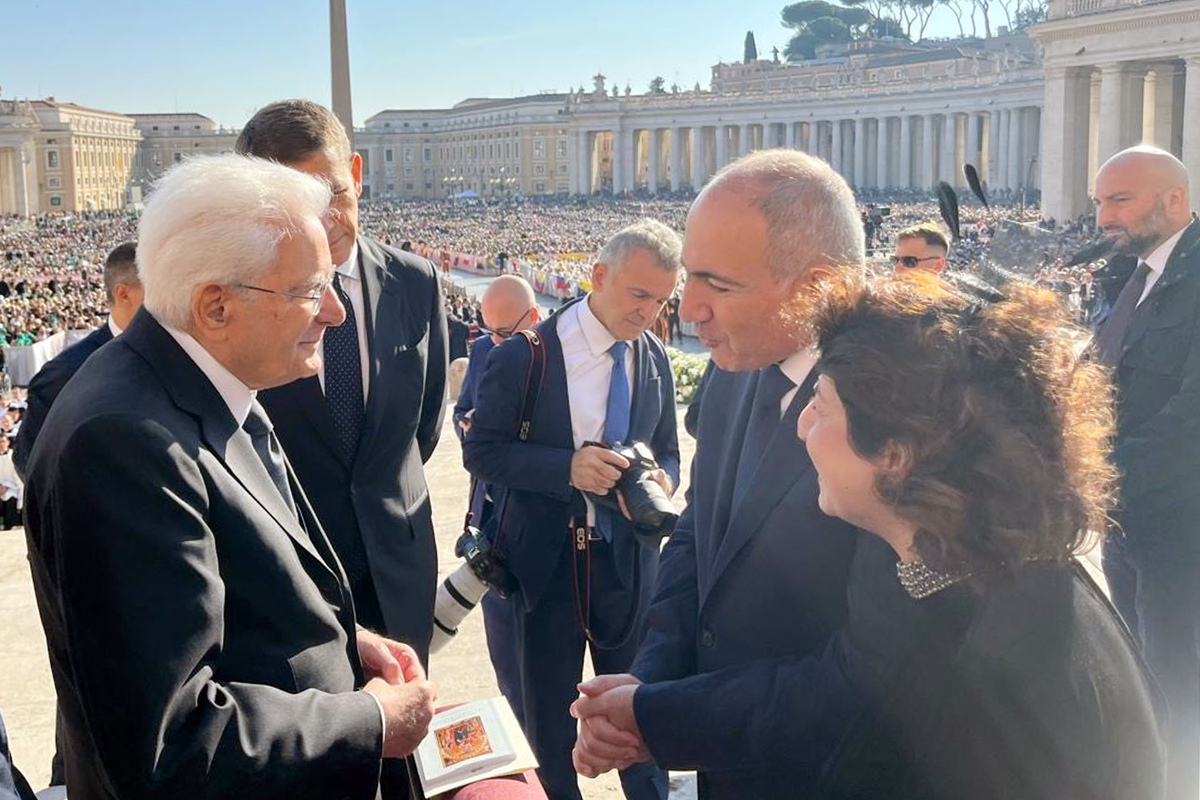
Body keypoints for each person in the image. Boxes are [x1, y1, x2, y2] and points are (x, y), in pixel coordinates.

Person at [23, 154, 436, 800]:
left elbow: (238, 592)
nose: (334, 312)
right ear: (215, 307)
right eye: (309, 290)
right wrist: (372, 721)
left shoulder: (208, 380)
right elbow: (175, 742)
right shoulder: (124, 442)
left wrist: (345, 644)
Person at [793, 273, 1163, 797]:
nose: (802, 426)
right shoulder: (1010, 582)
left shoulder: (979, 675)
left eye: (820, 404)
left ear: (896, 455)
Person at [569, 149, 862, 798]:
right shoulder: (738, 364)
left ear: (814, 289)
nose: (688, 308)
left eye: (717, 285)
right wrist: (648, 680)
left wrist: (659, 719)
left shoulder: (887, 411)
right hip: (727, 768)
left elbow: (864, 671)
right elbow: (699, 535)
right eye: (689, 279)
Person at [464, 220, 682, 800]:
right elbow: (481, 452)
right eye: (640, 295)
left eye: (662, 301)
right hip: (544, 567)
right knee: (548, 726)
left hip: (626, 564)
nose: (649, 312)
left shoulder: (653, 356)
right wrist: (567, 467)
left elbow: (668, 452)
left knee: (638, 715)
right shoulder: (527, 355)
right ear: (599, 276)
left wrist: (661, 479)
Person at [237, 100, 449, 659]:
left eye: (332, 193)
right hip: (293, 579)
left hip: (400, 566)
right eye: (296, 203)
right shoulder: (240, 301)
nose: (324, 219)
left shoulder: (416, 280)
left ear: (356, 173)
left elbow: (423, 427)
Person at [1093, 145, 1200, 800]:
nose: (1103, 217)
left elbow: (1191, 417)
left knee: (1178, 689)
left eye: (1119, 200)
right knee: (1137, 673)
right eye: (1100, 202)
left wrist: (1097, 476)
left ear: (1174, 200)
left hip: (1182, 532)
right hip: (1125, 523)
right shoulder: (1126, 274)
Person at [452, 274, 541, 705]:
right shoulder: (486, 348)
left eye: (506, 332)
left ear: (534, 317)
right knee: (506, 656)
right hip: (490, 520)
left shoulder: (555, 356)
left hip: (538, 517)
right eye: (490, 331)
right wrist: (468, 427)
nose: (497, 341)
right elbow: (461, 410)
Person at [14, 240, 143, 480]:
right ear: (124, 294)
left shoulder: (179, 355)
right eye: (157, 290)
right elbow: (30, 463)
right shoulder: (67, 371)